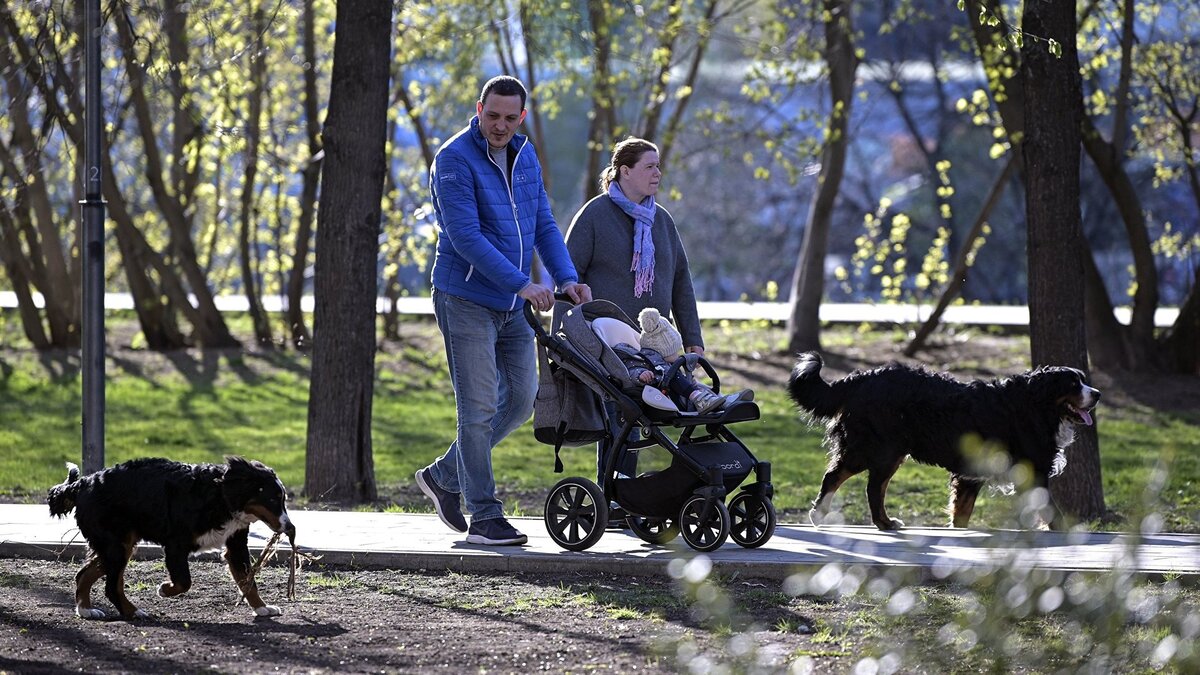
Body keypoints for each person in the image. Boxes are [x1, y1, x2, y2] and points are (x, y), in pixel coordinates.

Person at [416, 76, 591, 547]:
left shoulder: (524, 153)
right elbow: (466, 236)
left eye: (509, 118)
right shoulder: (453, 160)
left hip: (513, 303)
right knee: (475, 408)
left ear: (521, 118)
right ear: (479, 108)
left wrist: (566, 277)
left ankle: (443, 476)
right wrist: (523, 284)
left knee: (519, 400)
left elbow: (542, 223)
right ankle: (485, 516)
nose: (499, 125)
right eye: (491, 115)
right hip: (465, 300)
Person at [563, 137, 704, 494]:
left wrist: (693, 340)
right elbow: (566, 276)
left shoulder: (662, 221)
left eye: (658, 166)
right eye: (649, 166)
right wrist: (565, 341)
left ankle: (632, 495)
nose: (658, 172)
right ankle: (614, 495)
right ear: (624, 171)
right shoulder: (594, 216)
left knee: (649, 416)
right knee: (620, 416)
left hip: (654, 343)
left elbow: (681, 283)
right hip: (607, 342)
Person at [611, 308, 752, 414]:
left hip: (680, 395)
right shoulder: (646, 361)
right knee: (673, 377)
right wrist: (641, 375)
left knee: (696, 384)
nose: (678, 353)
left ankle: (722, 401)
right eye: (675, 351)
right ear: (662, 351)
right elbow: (630, 370)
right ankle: (704, 400)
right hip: (665, 398)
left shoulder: (666, 363)